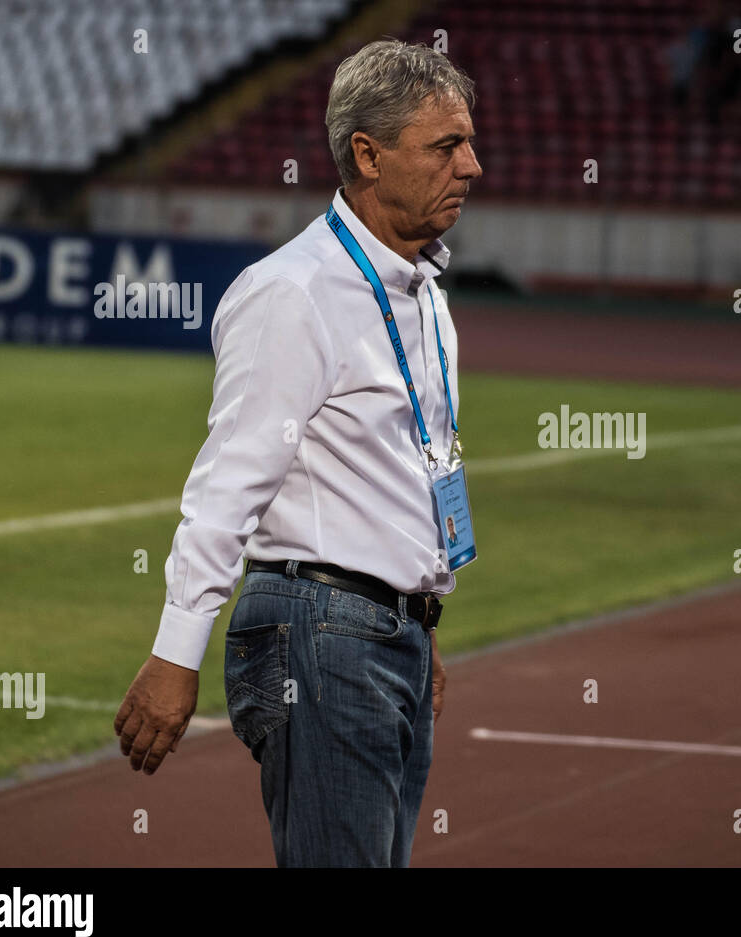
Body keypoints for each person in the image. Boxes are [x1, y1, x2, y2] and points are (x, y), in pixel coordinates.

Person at [112, 38, 482, 867]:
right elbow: (226, 486)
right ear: (368, 155)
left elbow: (414, 473)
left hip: (391, 634)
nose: (474, 165)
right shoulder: (294, 291)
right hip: (319, 631)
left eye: (468, 141)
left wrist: (423, 618)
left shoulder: (426, 295)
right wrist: (176, 652)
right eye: (447, 145)